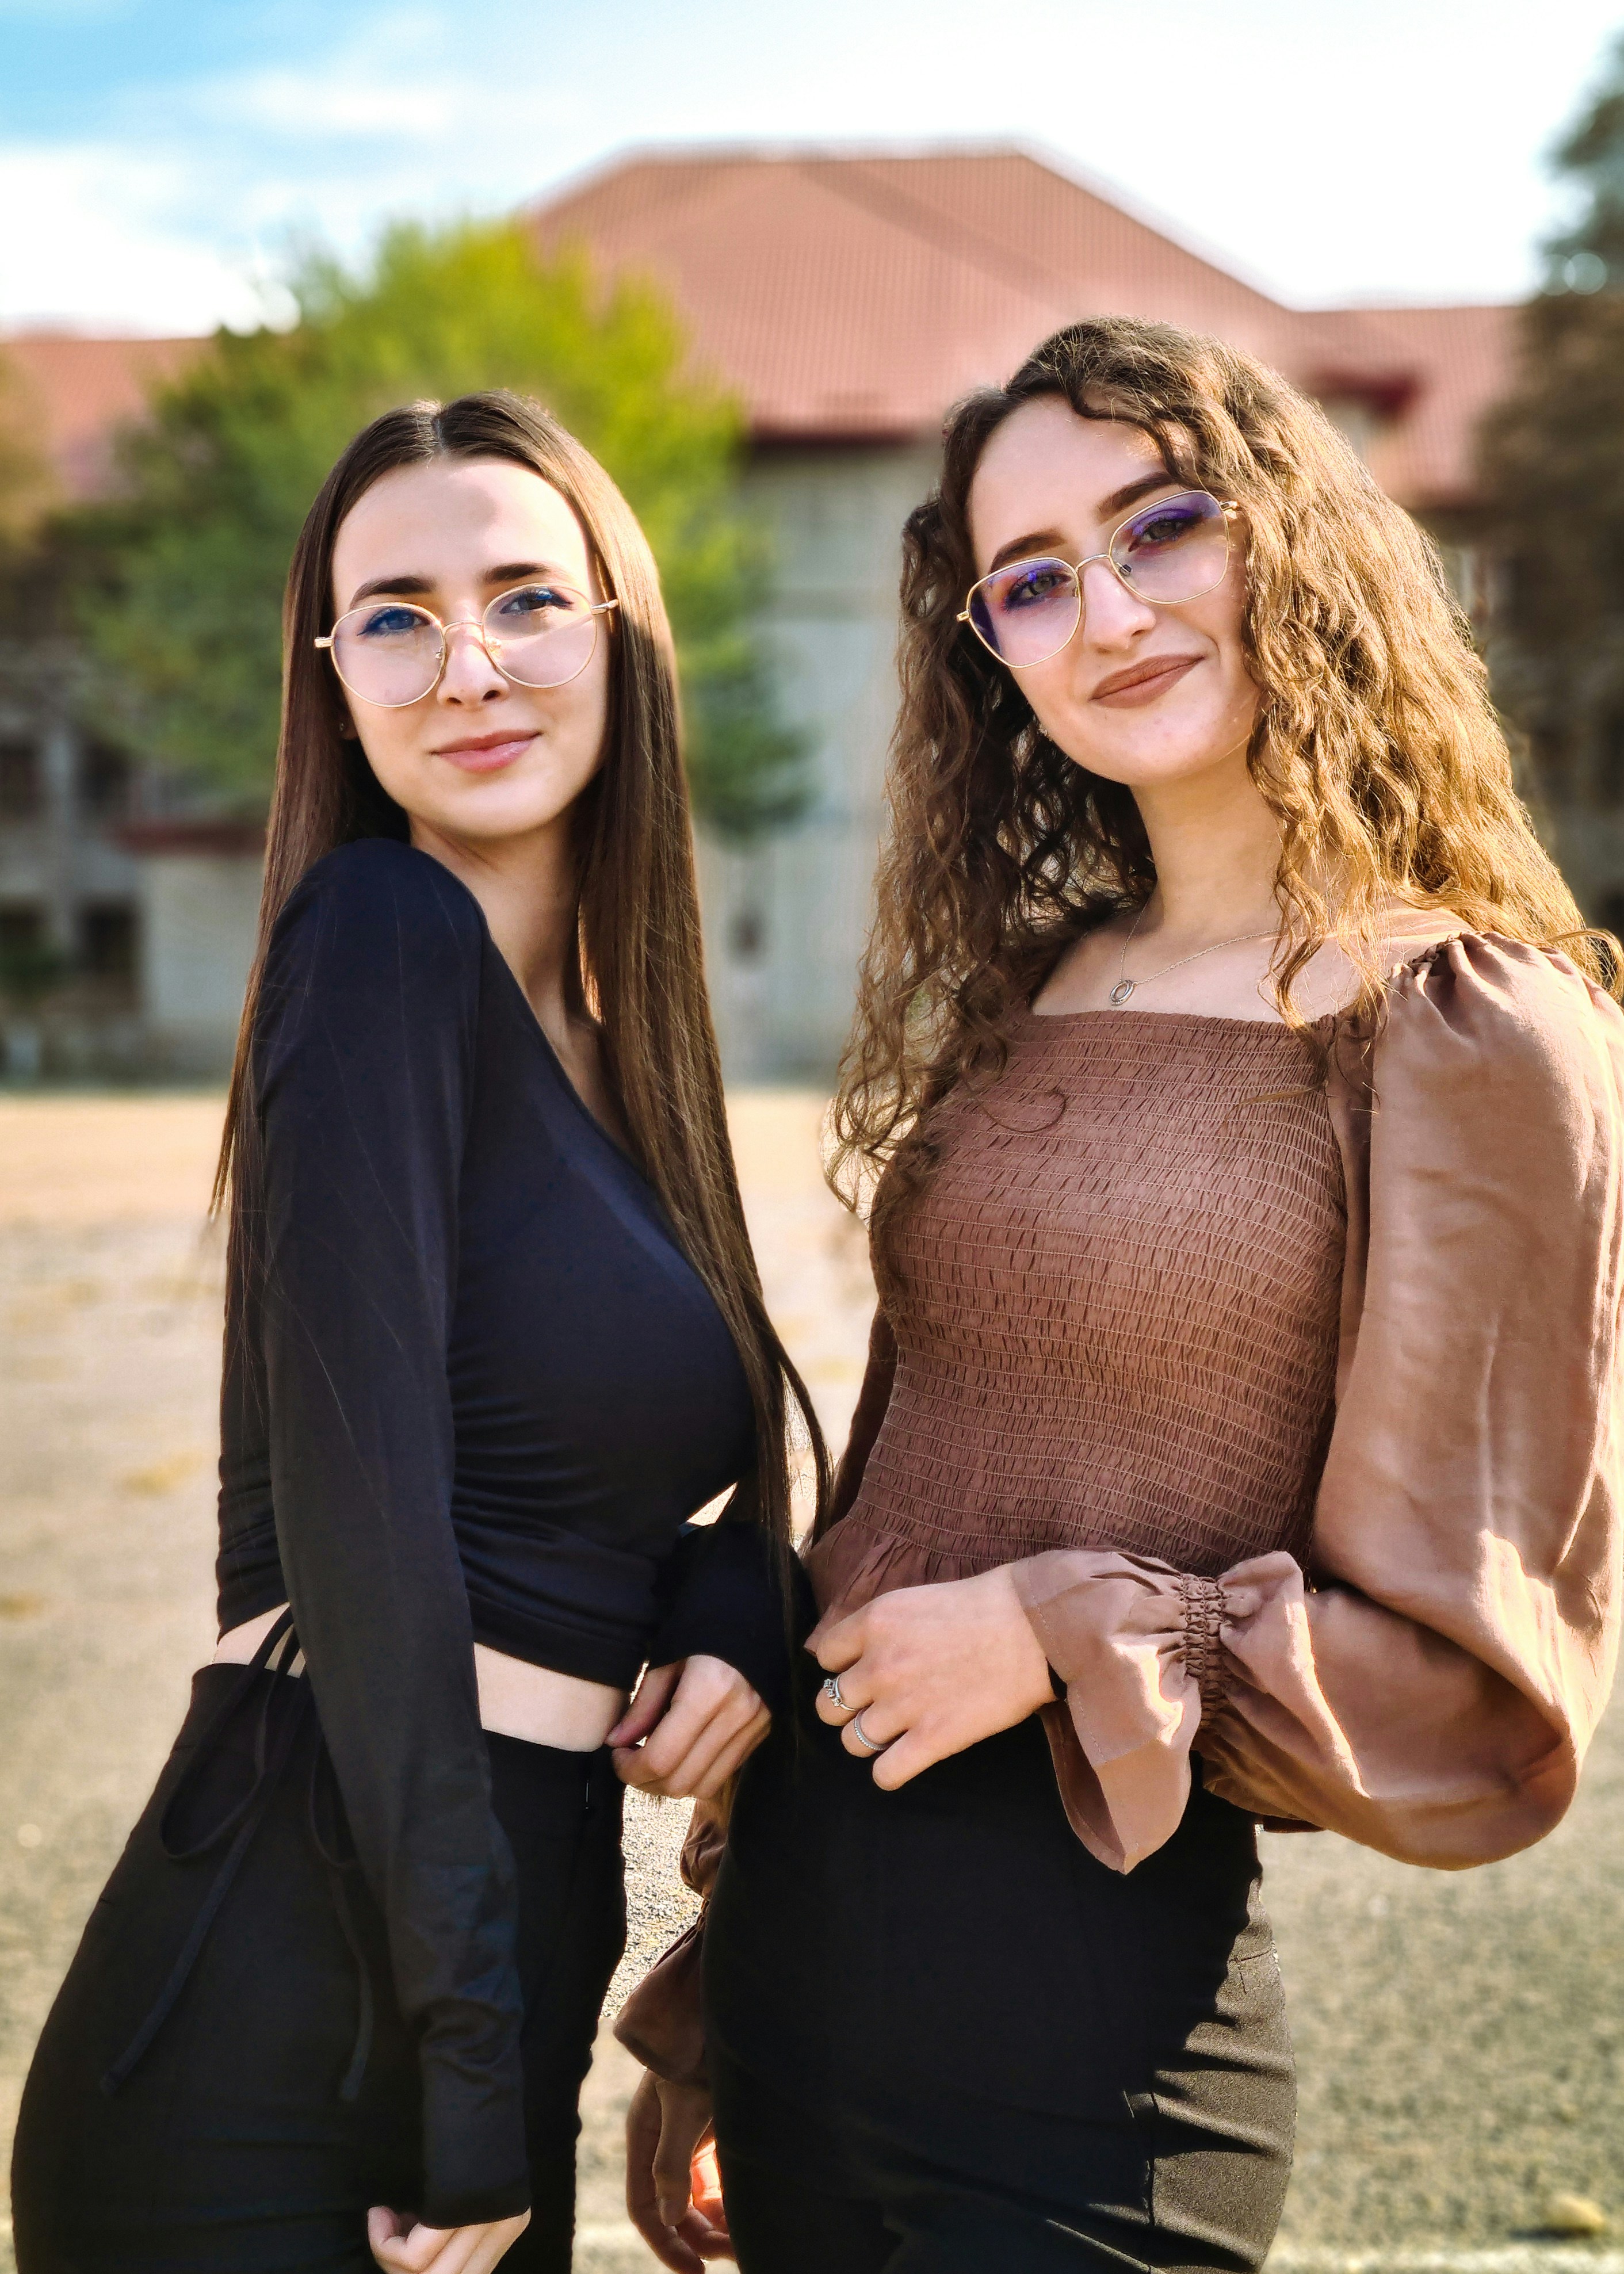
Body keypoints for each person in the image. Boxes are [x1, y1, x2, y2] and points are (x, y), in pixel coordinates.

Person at [616, 317, 1624, 2274]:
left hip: (1091, 2056)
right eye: (1034, 581)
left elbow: (1479, 1687)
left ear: (1288, 543)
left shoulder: (1471, 1024)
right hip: (809, 2001)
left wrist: (1062, 1621)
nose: (1112, 612)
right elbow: (897, 1515)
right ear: (989, 651)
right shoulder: (1037, 991)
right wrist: (709, 2007)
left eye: (1164, 527)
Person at [11, 390, 817, 2274]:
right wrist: (467, 2071)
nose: (469, 663)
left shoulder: (624, 1058)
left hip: (488, 1968)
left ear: (620, 630)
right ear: (336, 678)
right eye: (396, 614)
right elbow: (369, 1558)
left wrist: (732, 1598)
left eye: (528, 597)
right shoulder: (374, 935)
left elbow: (632, 1481)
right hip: (291, 2025)